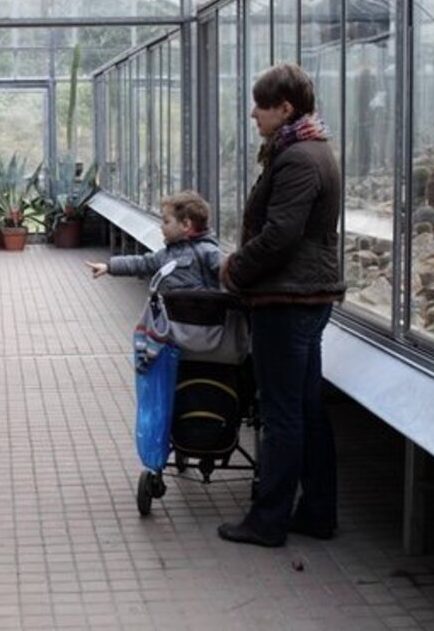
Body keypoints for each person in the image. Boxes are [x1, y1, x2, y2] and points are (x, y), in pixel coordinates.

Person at [216, 62, 345, 548]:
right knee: (306, 407)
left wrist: (234, 270)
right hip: (305, 295)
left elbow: (280, 236)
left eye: (260, 105)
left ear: (285, 108)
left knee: (282, 413)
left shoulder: (296, 159)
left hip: (286, 298)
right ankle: (316, 511)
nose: (253, 114)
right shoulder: (312, 149)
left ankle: (268, 520)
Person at [86, 190, 221, 291]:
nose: (161, 226)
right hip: (175, 322)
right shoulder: (166, 255)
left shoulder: (208, 252)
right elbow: (141, 263)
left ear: (186, 225)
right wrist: (109, 266)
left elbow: (230, 274)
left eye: (166, 222)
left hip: (205, 324)